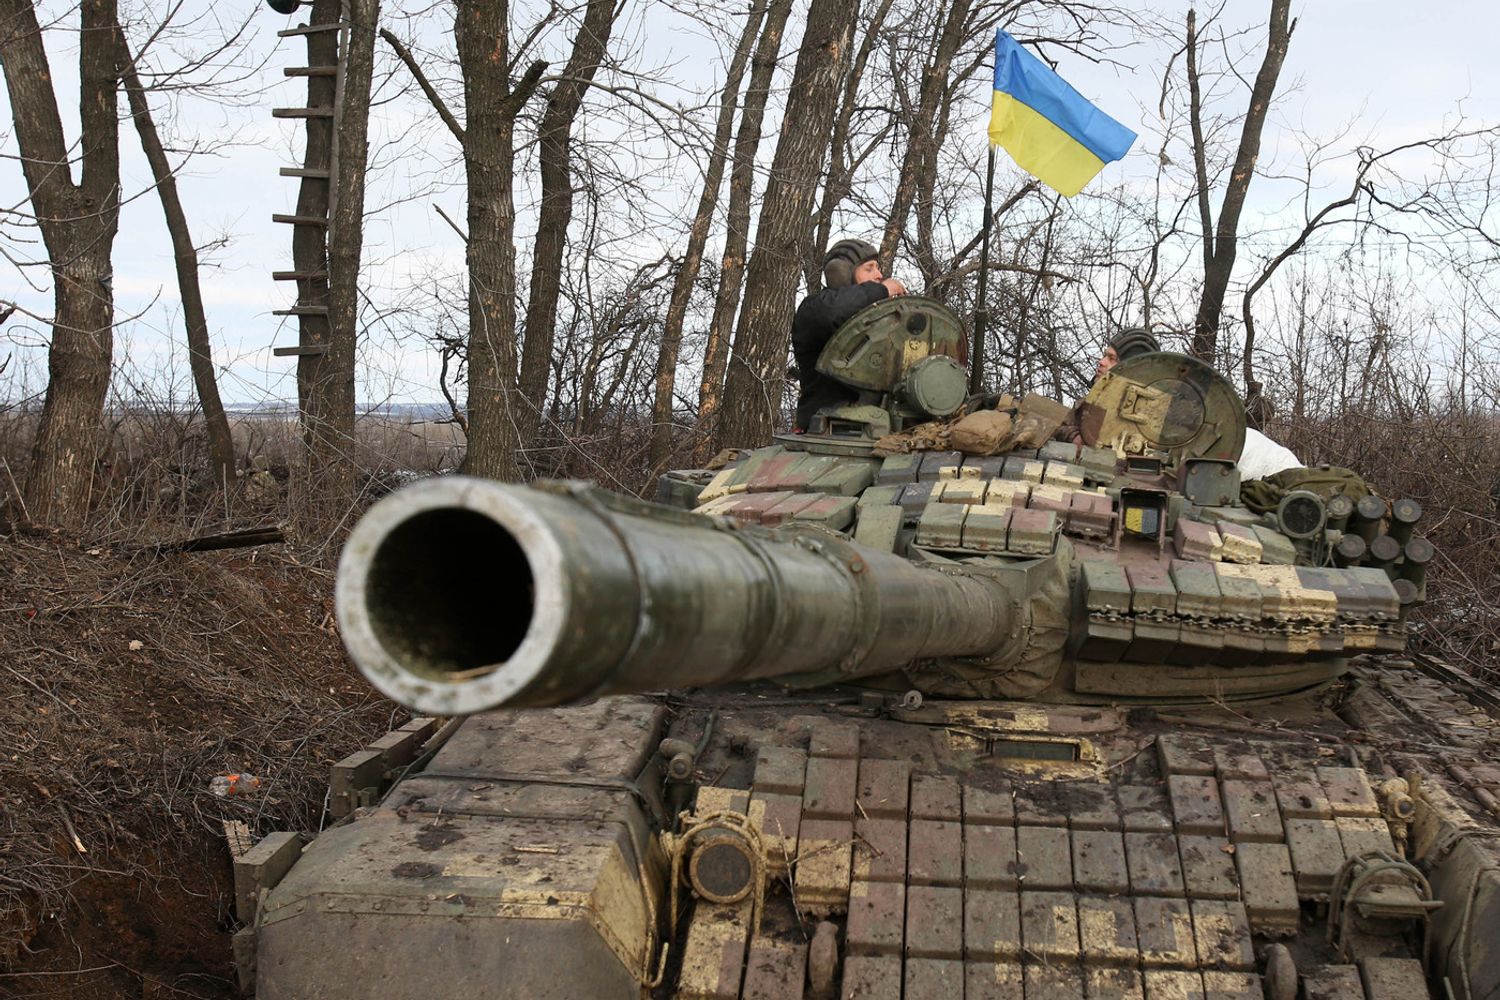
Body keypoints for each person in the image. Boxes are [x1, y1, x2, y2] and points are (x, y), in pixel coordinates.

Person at [792, 238, 907, 431]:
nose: (879, 275)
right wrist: (883, 290)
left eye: (877, 268)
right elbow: (834, 312)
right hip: (825, 431)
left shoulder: (881, 322)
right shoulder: (814, 309)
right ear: (841, 273)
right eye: (869, 268)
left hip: (877, 430)